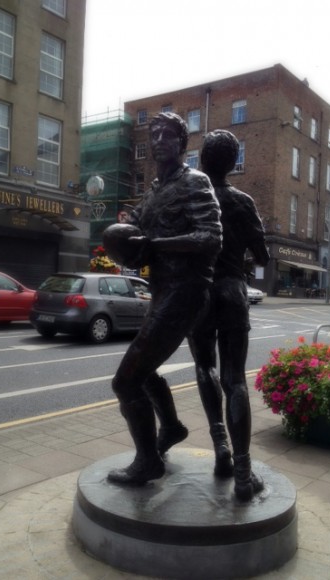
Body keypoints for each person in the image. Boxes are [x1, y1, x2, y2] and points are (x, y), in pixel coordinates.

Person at [104, 112, 222, 486]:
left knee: (126, 382)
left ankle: (148, 461)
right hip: (163, 292)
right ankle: (170, 428)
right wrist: (122, 238)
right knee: (144, 372)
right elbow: (135, 227)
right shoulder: (154, 191)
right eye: (153, 134)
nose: (158, 140)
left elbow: (210, 237)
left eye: (166, 134)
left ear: (182, 143)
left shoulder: (195, 183)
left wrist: (155, 244)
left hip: (186, 292)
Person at [188, 129, 270, 501]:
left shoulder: (194, 197)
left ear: (203, 160)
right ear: (234, 163)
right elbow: (264, 256)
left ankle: (220, 447)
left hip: (200, 291)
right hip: (233, 291)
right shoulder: (242, 201)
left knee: (204, 366)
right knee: (235, 380)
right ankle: (242, 472)